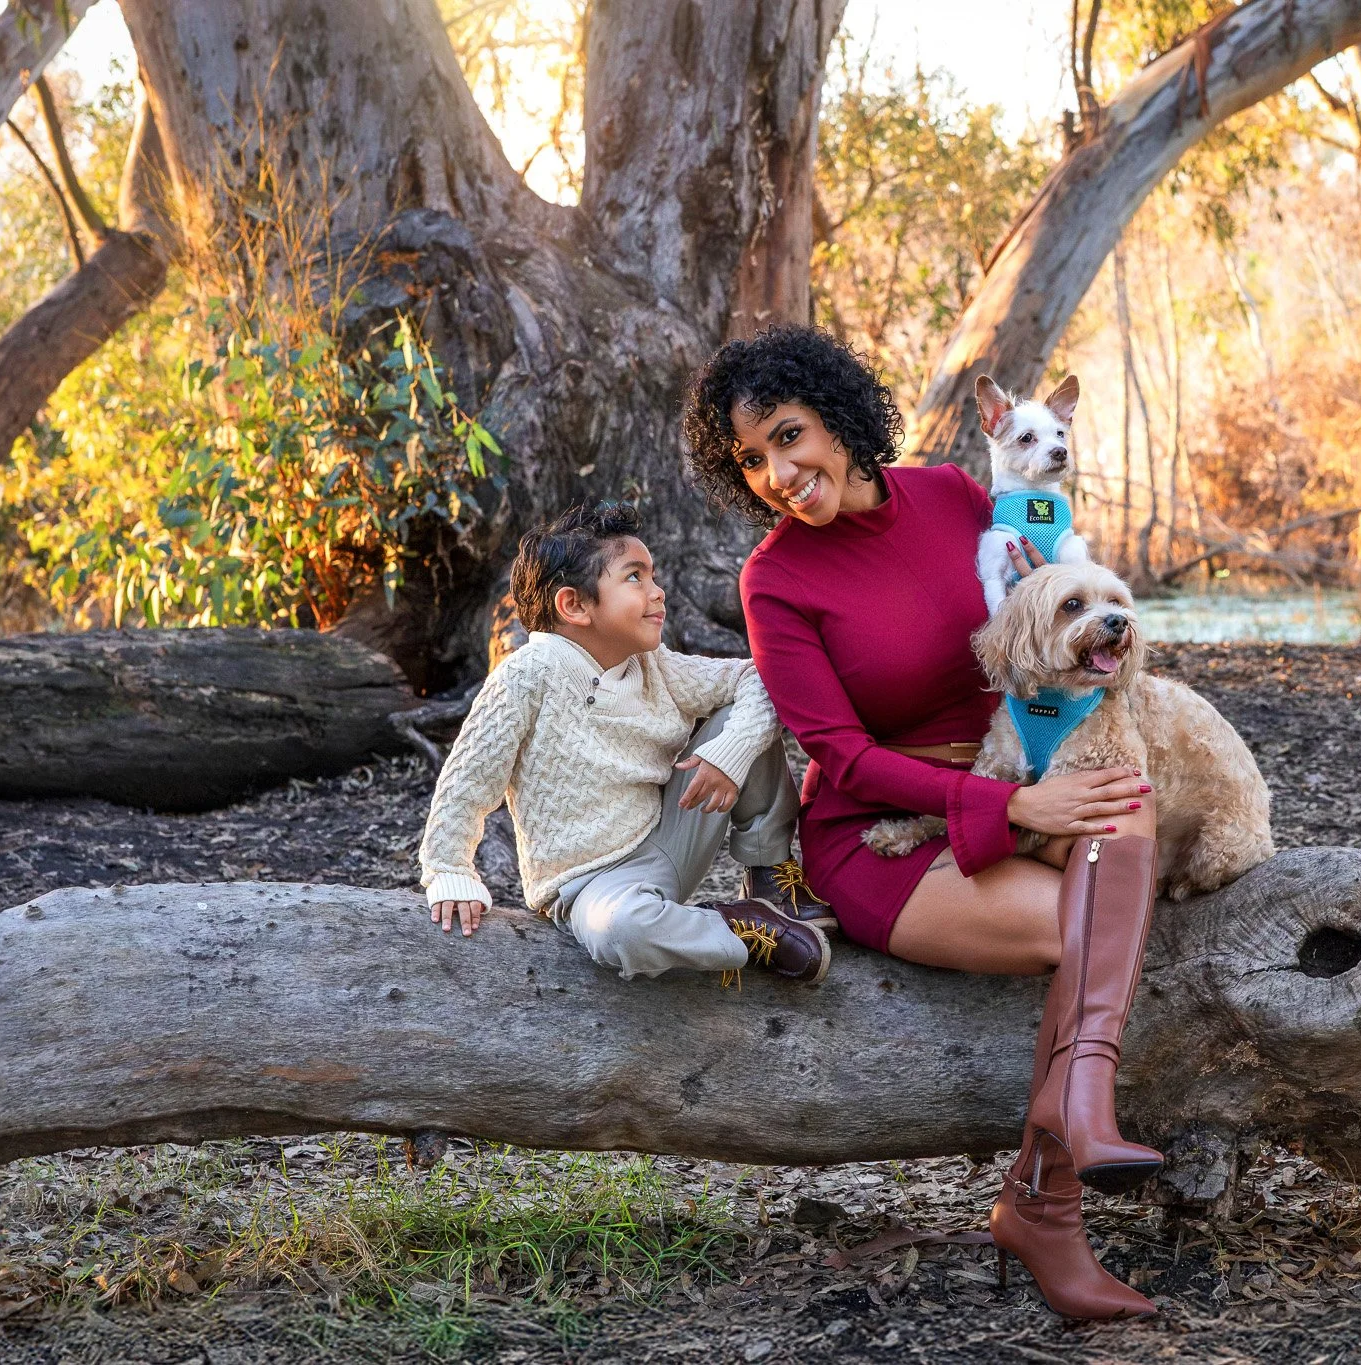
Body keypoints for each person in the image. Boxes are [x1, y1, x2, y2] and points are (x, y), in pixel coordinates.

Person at [683, 328, 1163, 1319]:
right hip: (879, 831)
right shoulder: (775, 581)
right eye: (752, 461)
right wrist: (1010, 806)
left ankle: (1051, 1168)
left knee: (1130, 799)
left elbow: (1044, 624)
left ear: (838, 417)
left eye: (789, 436)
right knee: (1062, 924)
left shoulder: (953, 497)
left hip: (1017, 766)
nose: (779, 473)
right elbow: (839, 755)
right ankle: (1054, 1192)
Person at [418, 500, 833, 984]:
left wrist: (730, 754)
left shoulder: (657, 666)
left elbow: (759, 680)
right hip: (595, 886)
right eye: (635, 578)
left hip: (671, 840)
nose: (658, 593)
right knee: (621, 931)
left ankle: (770, 879)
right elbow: (467, 781)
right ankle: (738, 929)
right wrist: (450, 871)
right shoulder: (527, 677)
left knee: (739, 721)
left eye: (653, 577)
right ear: (574, 605)